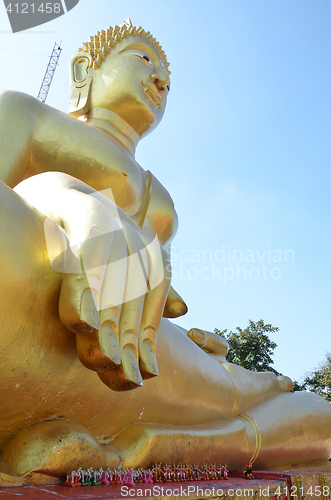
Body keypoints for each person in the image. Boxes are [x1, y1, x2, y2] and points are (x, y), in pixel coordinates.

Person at [0, 20, 330, 485]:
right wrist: (66, 194)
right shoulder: (27, 115)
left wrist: (192, 336)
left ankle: (154, 446)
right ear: (83, 70)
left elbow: (151, 285)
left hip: (140, 348)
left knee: (317, 416)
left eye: (169, 82)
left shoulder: (161, 197)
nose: (160, 81)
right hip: (53, 294)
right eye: (143, 59)